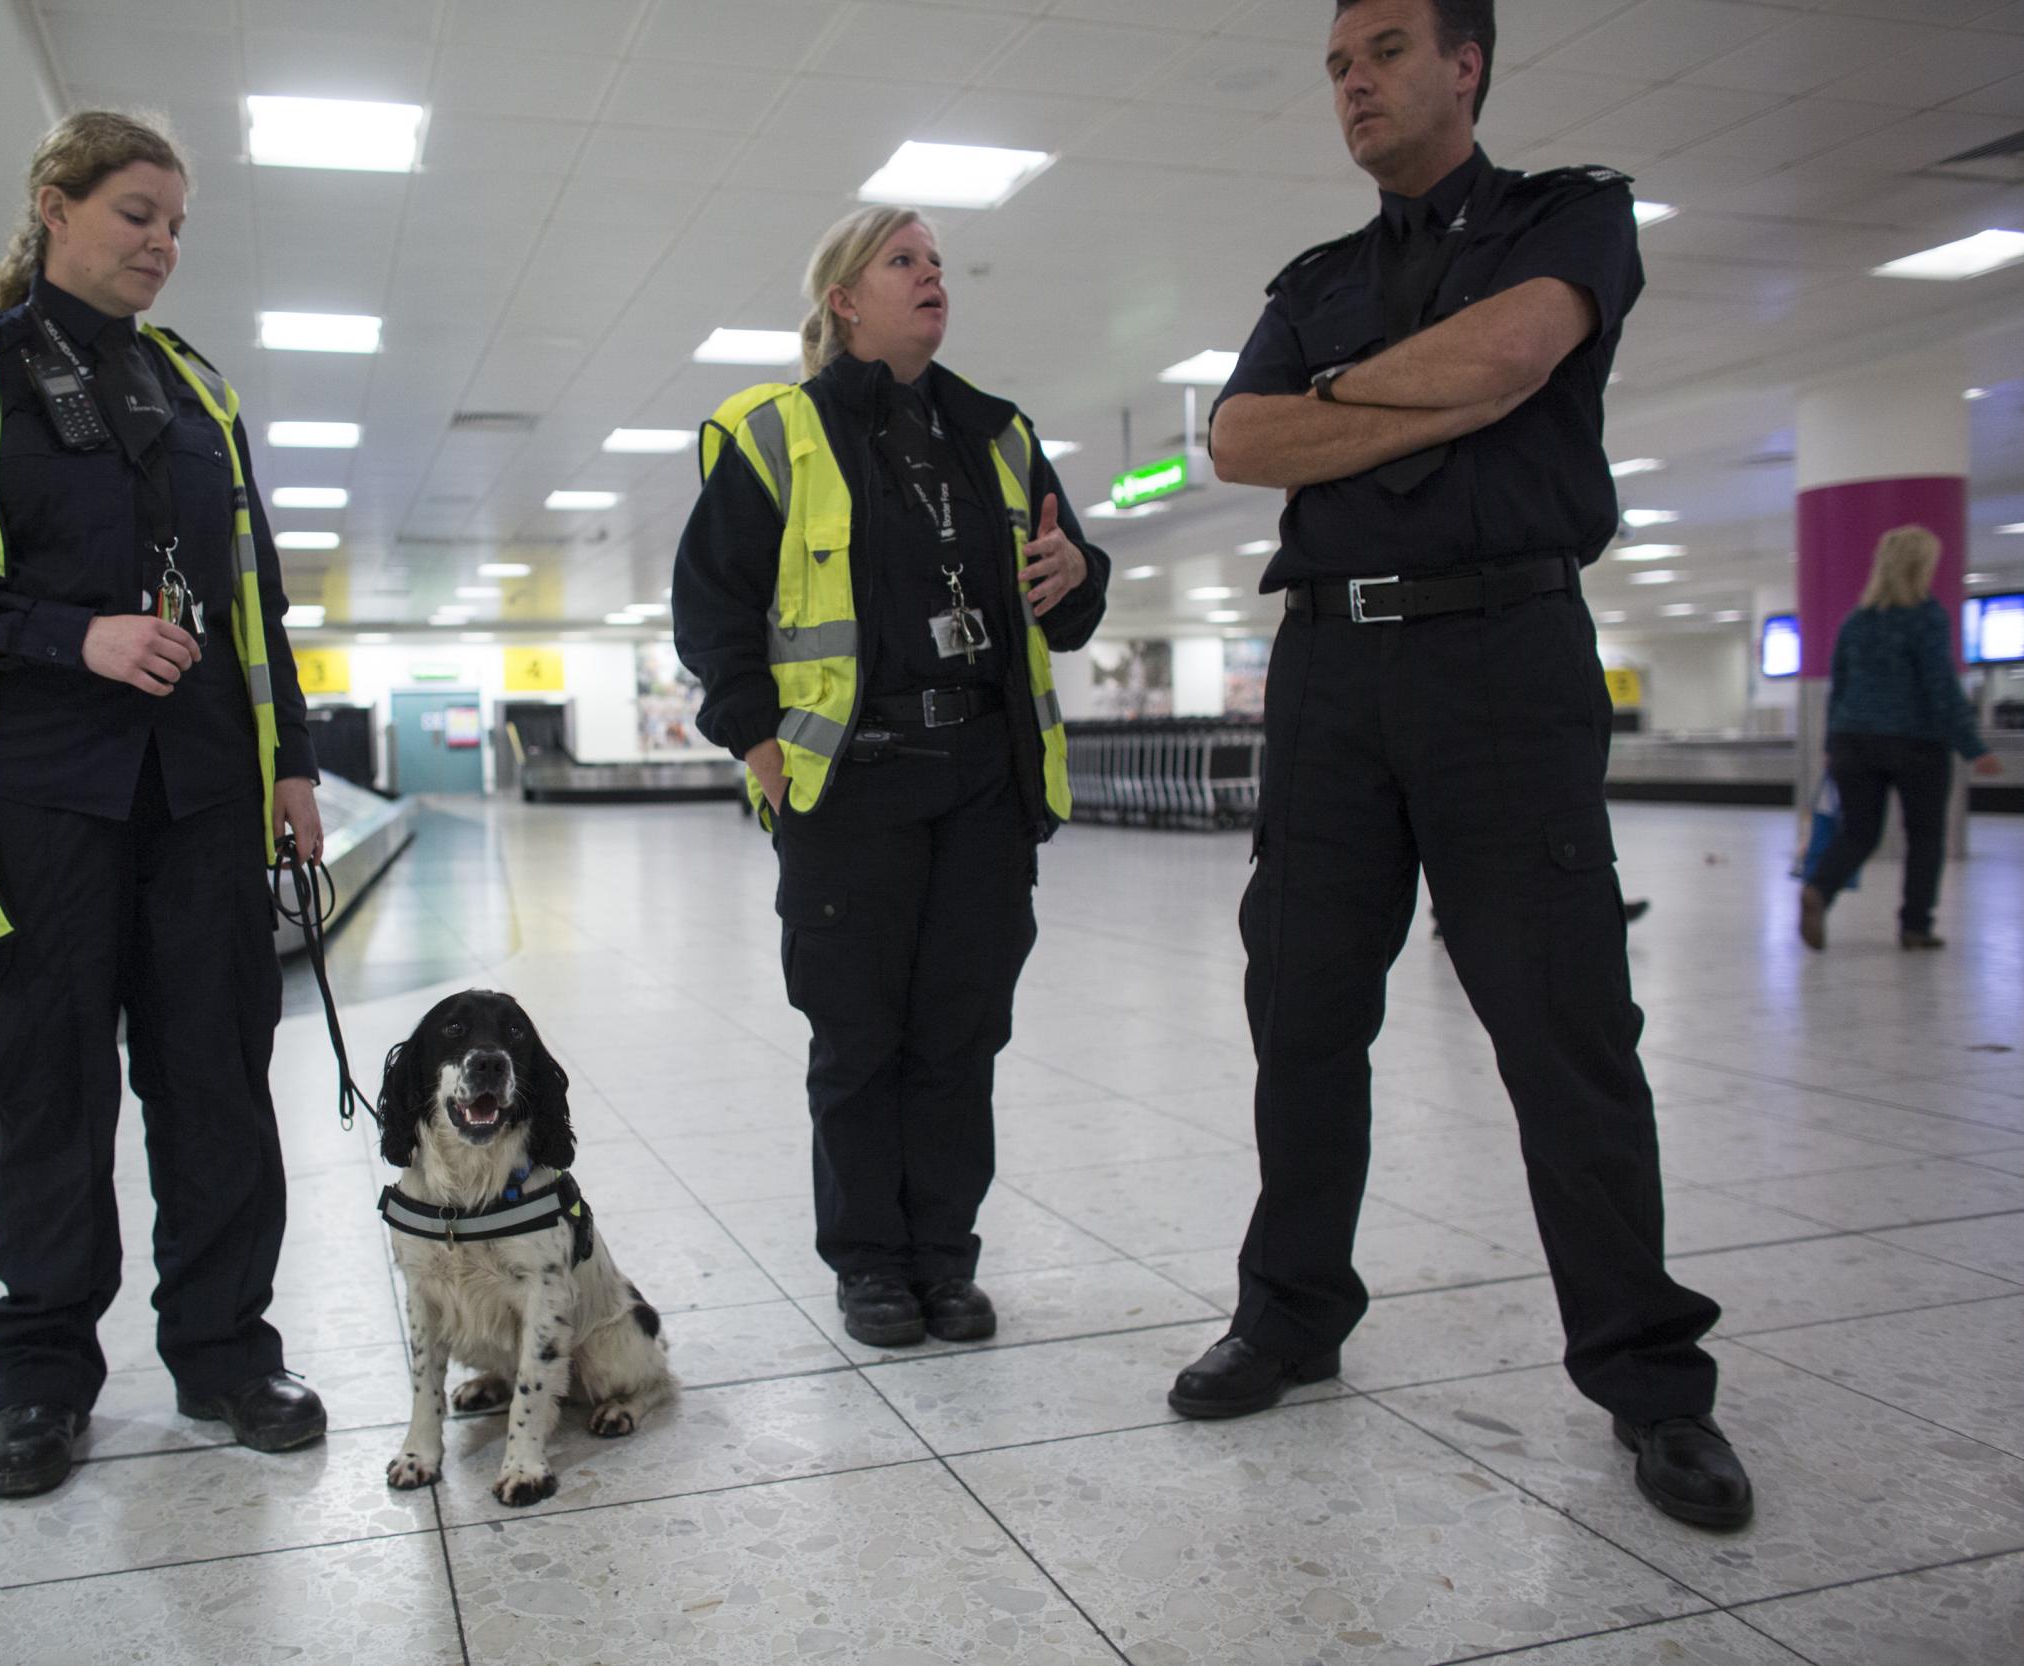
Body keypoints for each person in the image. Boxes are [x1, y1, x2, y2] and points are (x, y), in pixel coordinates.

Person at [1161, 0, 1755, 1531]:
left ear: (1466, 63)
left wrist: (1340, 408)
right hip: (1331, 674)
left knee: (1565, 1027)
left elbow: (1519, 352)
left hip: (1505, 659)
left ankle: (1649, 1378)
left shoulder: (1574, 217)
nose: (1353, 85)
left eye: (1383, 55)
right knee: (1301, 1011)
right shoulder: (1316, 280)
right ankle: (1292, 1312)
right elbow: (1235, 441)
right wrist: (1424, 394)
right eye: (1338, 68)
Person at [0, 111, 326, 1499]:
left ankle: (228, 1354)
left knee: (216, 1086)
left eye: (176, 223)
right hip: (42, 799)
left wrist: (290, 761)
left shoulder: (200, 395)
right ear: (54, 206)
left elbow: (256, 607)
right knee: (49, 1097)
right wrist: (76, 635)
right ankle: (47, 1379)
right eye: (135, 213)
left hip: (198, 800)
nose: (161, 245)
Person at [673, 206, 1109, 1348]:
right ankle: (870, 1264)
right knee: (859, 1036)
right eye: (902, 261)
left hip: (979, 776)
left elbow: (1069, 595)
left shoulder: (996, 433)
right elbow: (711, 608)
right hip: (849, 783)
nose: (932, 277)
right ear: (843, 302)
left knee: (959, 1034)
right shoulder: (775, 434)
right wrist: (758, 743)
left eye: (937, 263)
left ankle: (943, 1259)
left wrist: (1081, 569)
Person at [1800, 525, 2002, 951]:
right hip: (1916, 743)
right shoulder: (1925, 616)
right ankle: (1915, 926)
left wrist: (1831, 746)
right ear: (1921, 565)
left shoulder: (1855, 621)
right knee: (1925, 836)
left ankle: (1819, 889)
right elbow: (1940, 686)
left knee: (1858, 832)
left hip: (1853, 740)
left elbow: (1840, 685)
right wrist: (1973, 747)